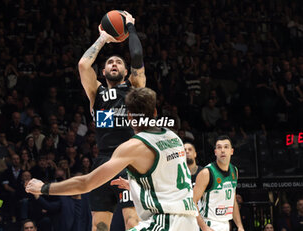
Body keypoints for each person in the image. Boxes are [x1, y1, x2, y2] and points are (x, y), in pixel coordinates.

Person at [26, 87, 199, 231]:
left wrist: (44, 188)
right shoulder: (173, 138)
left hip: (164, 222)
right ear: (154, 112)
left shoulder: (133, 146)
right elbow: (166, 179)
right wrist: (135, 185)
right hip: (189, 222)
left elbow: (85, 183)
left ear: (129, 117)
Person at [77, 11, 146, 230]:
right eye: (110, 62)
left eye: (118, 62)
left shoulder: (134, 89)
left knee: (132, 221)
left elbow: (136, 56)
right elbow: (83, 66)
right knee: (98, 225)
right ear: (104, 71)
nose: (114, 63)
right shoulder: (95, 92)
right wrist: (103, 38)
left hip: (129, 161)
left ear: (126, 72)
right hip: (103, 161)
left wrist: (131, 27)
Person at [193, 135, 244, 231]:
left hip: (225, 223)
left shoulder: (234, 171)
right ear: (215, 152)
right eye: (219, 147)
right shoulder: (206, 173)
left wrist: (240, 226)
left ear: (231, 151)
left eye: (226, 147)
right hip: (209, 223)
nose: (223, 150)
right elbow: (192, 202)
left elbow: (233, 200)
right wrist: (204, 227)